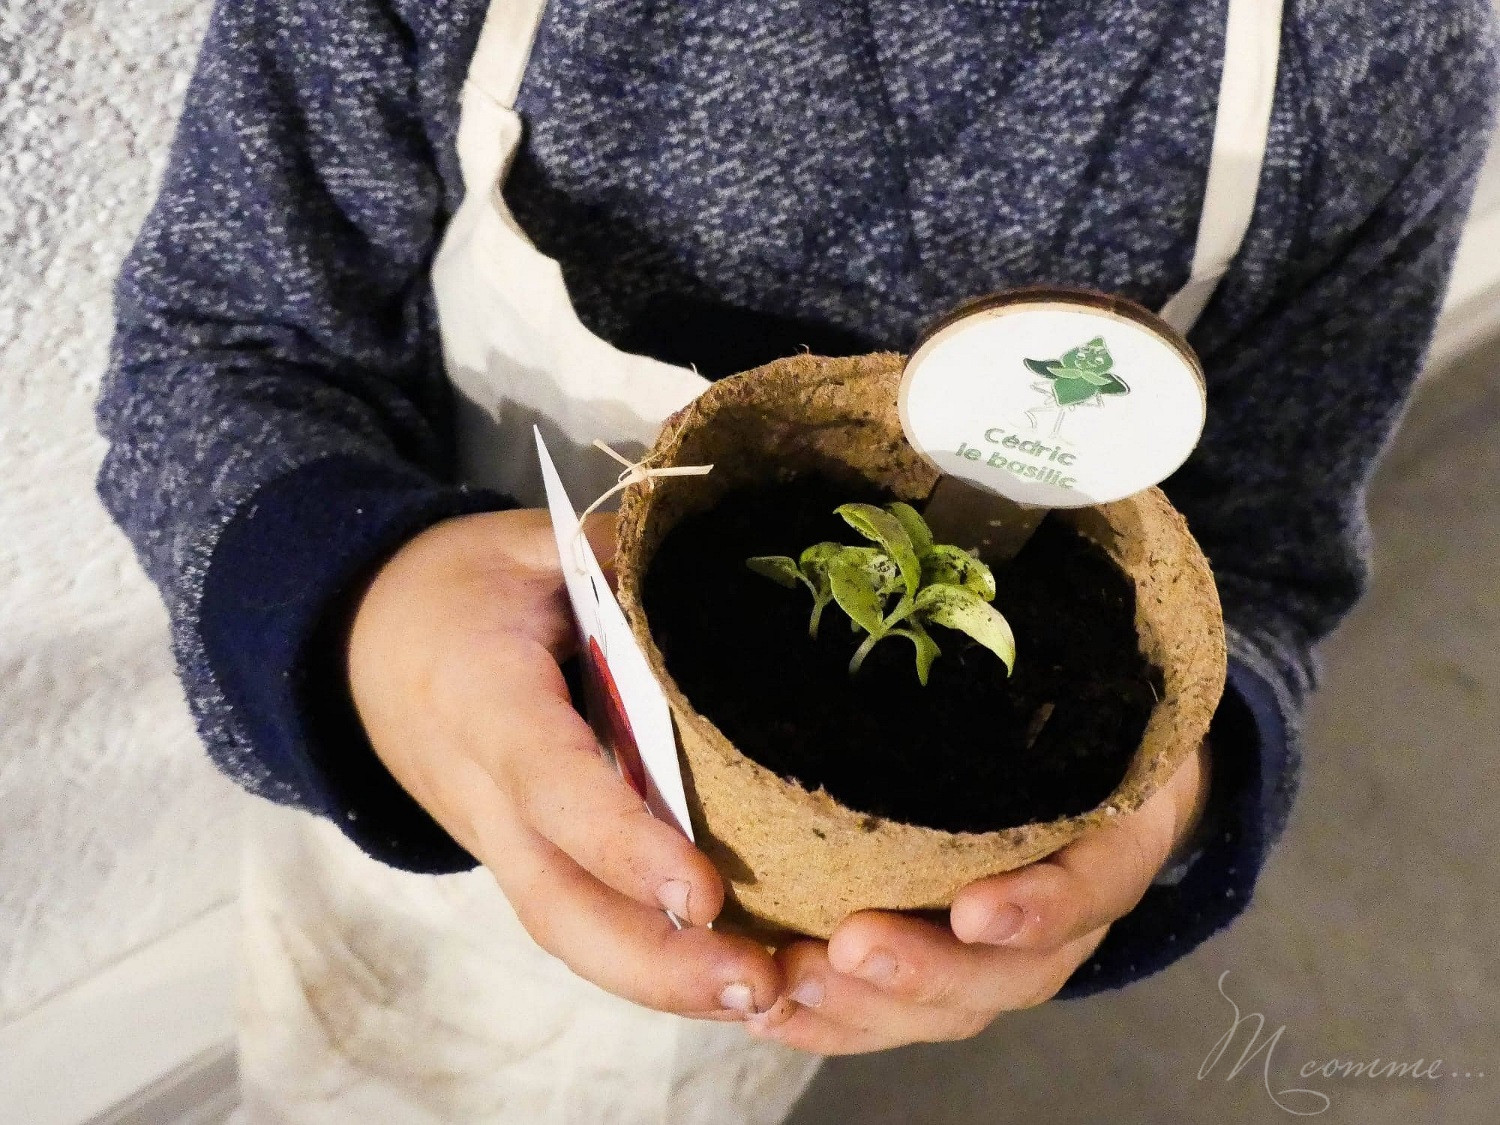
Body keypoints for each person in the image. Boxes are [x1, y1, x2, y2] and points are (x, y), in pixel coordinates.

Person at [95, 0, 1497, 1120]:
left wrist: (1176, 790)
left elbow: (1259, 565)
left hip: (806, 959)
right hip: (414, 821)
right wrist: (363, 615)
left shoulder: (1376, 43)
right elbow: (225, 342)